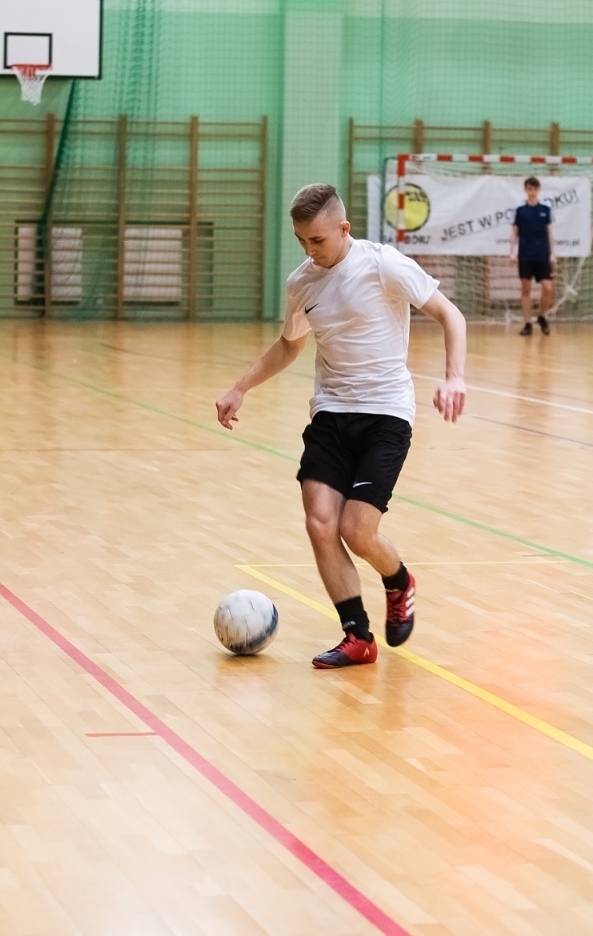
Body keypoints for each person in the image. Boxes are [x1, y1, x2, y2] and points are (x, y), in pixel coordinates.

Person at [216, 183, 467, 668]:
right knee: (320, 522)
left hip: (386, 414)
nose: (310, 251)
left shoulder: (382, 264)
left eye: (318, 241)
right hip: (331, 412)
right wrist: (240, 387)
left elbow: (449, 315)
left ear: (343, 229)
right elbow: (289, 345)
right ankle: (358, 636)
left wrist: (455, 377)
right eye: (301, 241)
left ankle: (399, 581)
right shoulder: (302, 283)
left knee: (357, 529)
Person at [510, 177, 554, 336]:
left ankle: (542, 316)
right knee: (526, 289)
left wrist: (552, 254)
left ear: (538, 190)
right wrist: (513, 251)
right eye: (529, 188)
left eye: (535, 189)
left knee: (548, 288)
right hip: (526, 254)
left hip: (542, 255)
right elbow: (515, 233)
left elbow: (549, 233)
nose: (532, 191)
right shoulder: (521, 211)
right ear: (526, 190)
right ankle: (527, 323)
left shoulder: (545, 210)